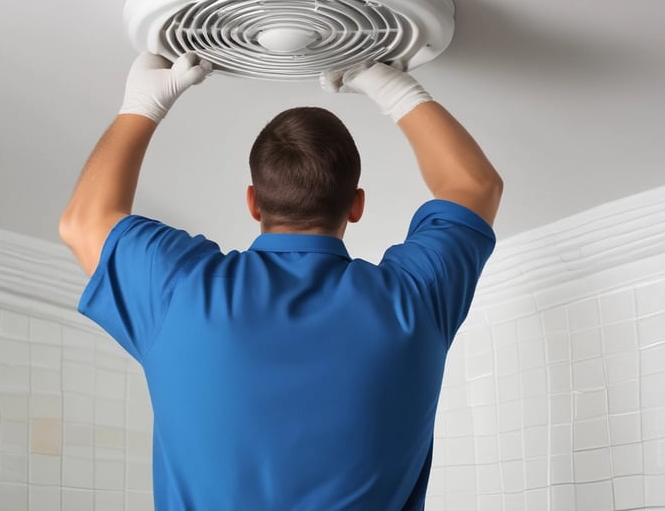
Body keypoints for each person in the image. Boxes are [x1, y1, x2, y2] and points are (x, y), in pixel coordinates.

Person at [60, 52, 503, 510]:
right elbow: (475, 186)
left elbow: (83, 224)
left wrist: (144, 104)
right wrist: (390, 87)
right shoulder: (414, 301)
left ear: (254, 203)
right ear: (356, 205)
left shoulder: (183, 289)